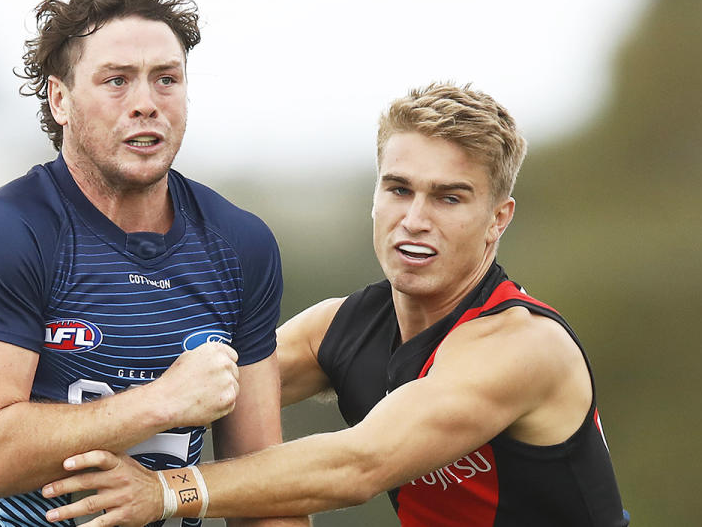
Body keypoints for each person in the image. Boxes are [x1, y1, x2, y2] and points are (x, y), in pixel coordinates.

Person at [39, 83, 630, 527]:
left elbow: (356, 467)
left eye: (449, 198)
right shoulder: (339, 328)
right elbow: (195, 383)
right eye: (398, 189)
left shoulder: (522, 347)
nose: (415, 221)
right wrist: (2, 401)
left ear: (498, 218)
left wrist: (167, 491)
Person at [0, 0, 304, 526]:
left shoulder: (239, 245)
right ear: (59, 100)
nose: (146, 102)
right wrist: (161, 402)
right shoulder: (0, 233)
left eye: (166, 79)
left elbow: (266, 490)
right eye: (116, 80)